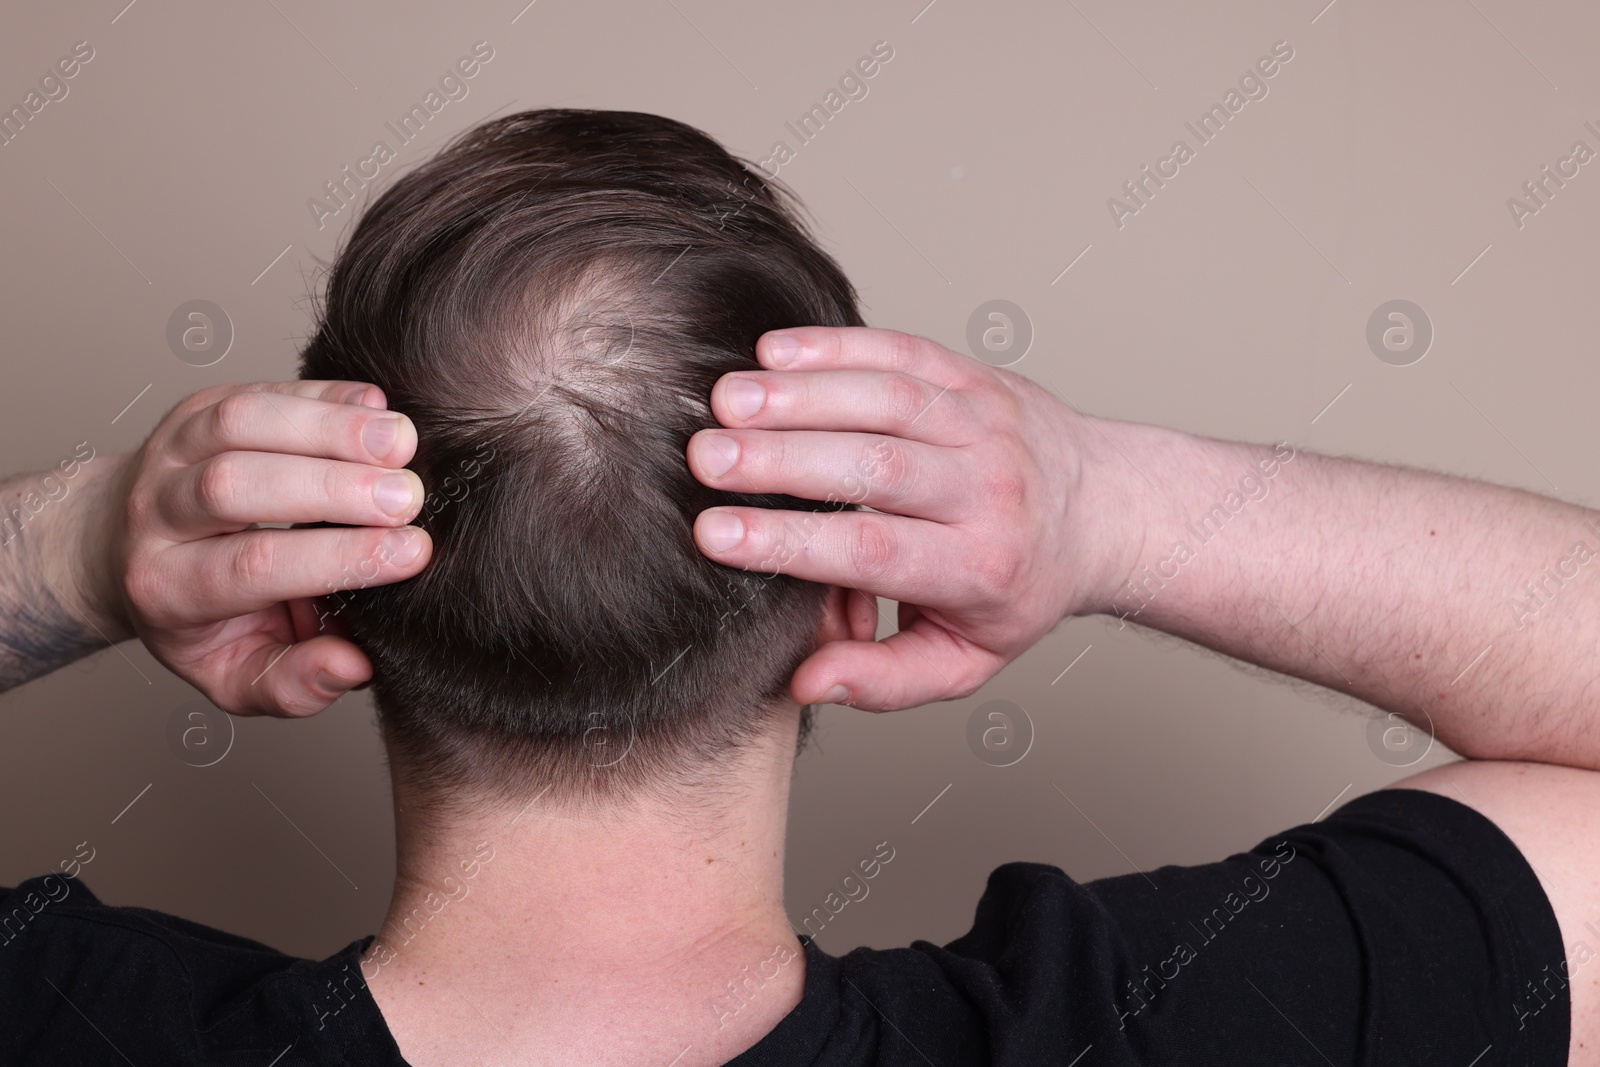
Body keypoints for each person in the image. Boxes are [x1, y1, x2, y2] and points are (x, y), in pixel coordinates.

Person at [0, 108, 1592, 1066]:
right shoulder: (1208, 1026)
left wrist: (83, 546)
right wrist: (1109, 508)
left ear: (314, 594)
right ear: (855, 594)